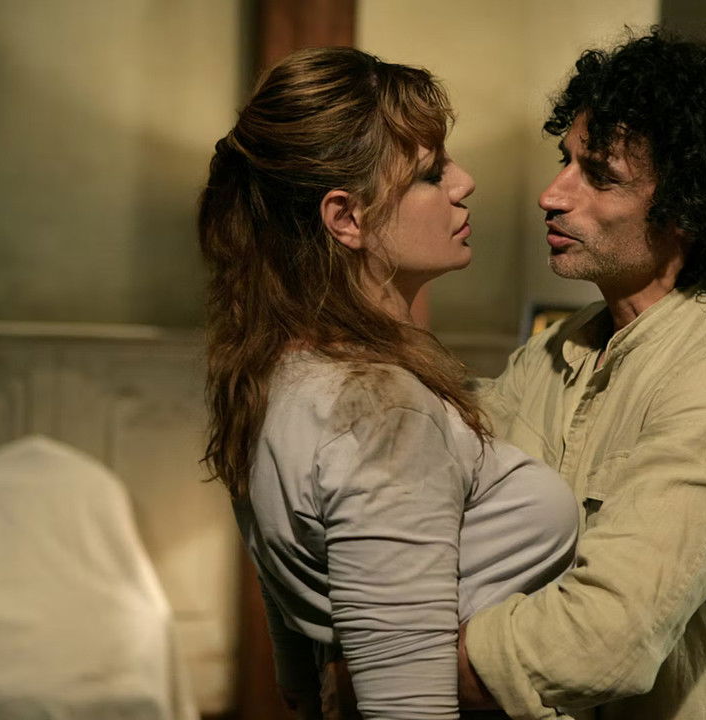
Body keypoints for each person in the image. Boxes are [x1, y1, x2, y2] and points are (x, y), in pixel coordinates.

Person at [196, 47, 577, 720]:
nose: (464, 182)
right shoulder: (378, 410)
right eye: (430, 173)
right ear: (346, 217)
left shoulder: (277, 371)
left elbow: (299, 642)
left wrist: (309, 669)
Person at [457, 30, 706, 720]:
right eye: (565, 162)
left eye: (600, 176)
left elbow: (602, 642)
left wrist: (399, 665)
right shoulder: (556, 349)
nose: (551, 195)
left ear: (687, 207)